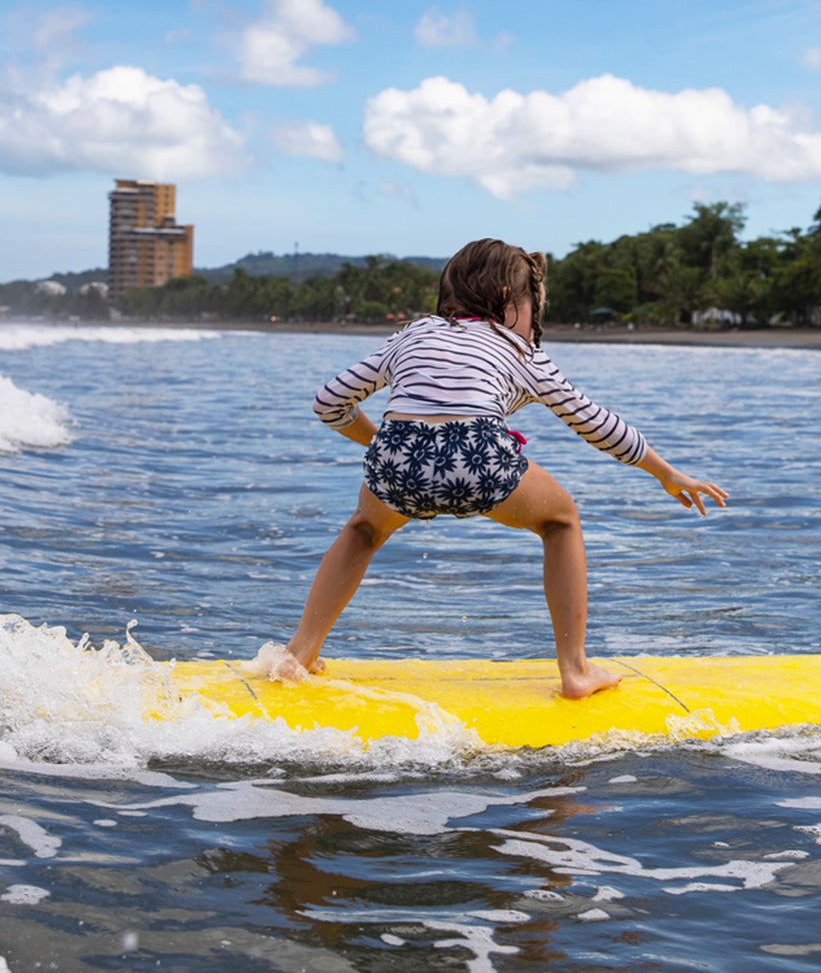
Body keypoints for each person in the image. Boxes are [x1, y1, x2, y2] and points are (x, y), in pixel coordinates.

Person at [274, 238, 727, 699]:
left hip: (396, 463)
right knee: (560, 520)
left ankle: (298, 655)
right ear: (513, 301)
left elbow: (329, 402)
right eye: (534, 304)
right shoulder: (517, 349)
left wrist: (388, 441)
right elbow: (594, 423)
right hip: (479, 459)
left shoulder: (412, 334)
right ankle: (575, 670)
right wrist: (665, 472)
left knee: (364, 529)